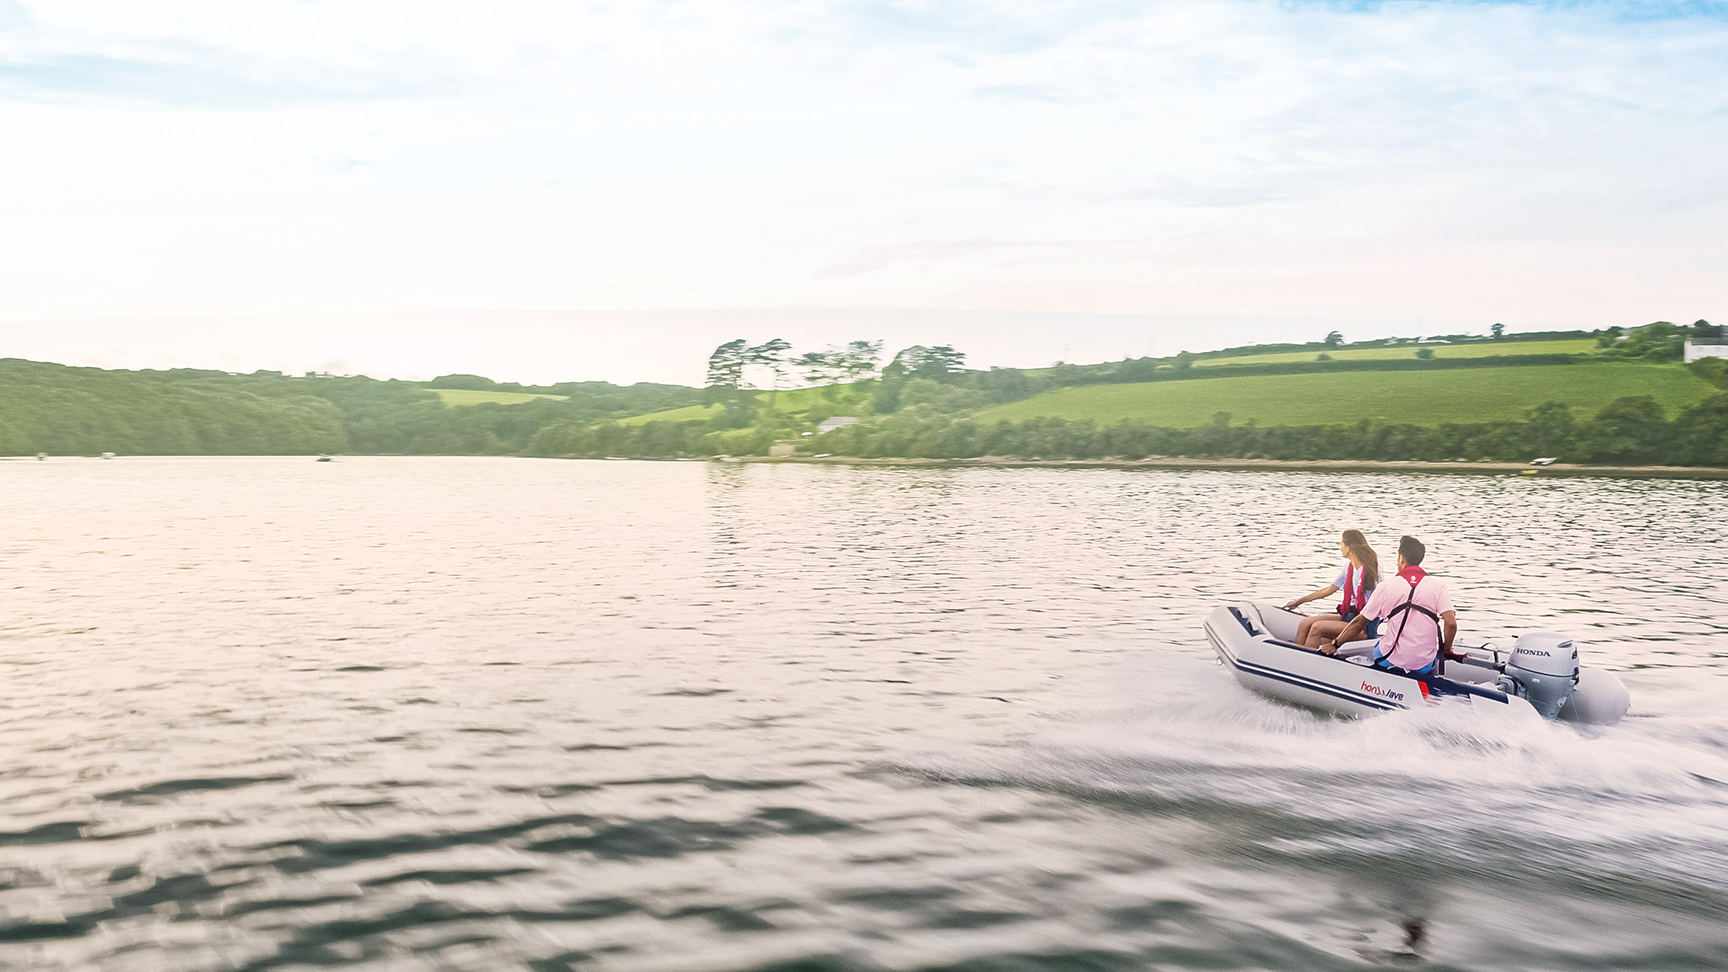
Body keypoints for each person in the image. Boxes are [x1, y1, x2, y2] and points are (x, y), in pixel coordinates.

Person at [1322, 535, 1456, 675]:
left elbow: (1359, 622)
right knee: (1429, 659)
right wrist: (1447, 649)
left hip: (1390, 660)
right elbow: (1451, 623)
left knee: (1379, 645)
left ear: (1401, 558)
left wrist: (1335, 644)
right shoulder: (1439, 586)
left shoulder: (1385, 586)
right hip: (1424, 664)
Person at [1283, 529, 1380, 649]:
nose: (1340, 547)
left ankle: (1305, 661)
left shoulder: (1372, 571)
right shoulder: (1349, 566)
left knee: (1317, 627)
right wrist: (1298, 602)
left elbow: (1380, 602)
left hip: (1361, 627)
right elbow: (1328, 590)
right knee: (1305, 623)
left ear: (1348, 548)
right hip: (1349, 617)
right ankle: (1295, 656)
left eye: (1341, 544)